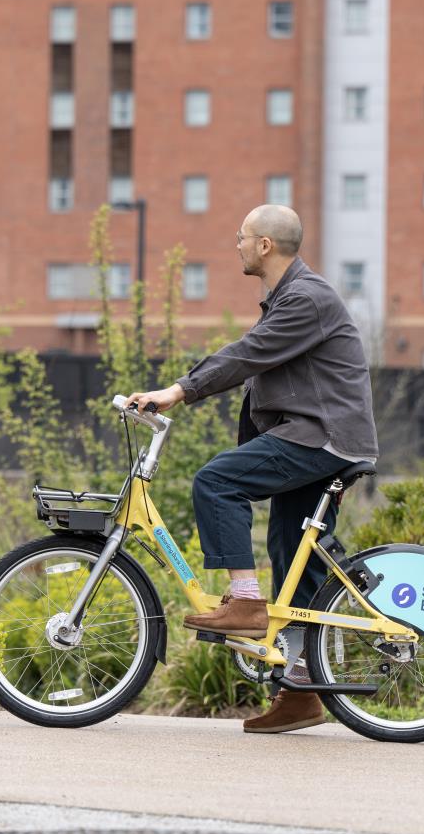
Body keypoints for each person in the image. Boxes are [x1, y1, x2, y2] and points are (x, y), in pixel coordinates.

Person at [126, 204, 378, 733]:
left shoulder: (305, 299)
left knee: (217, 481)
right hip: (320, 438)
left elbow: (247, 355)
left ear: (265, 245)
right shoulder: (292, 297)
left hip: (323, 439)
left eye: (241, 238)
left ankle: (244, 602)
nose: (236, 245)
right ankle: (302, 689)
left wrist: (178, 391)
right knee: (292, 556)